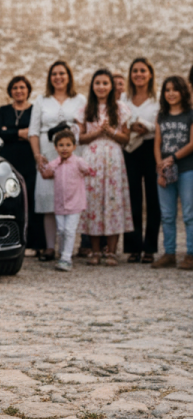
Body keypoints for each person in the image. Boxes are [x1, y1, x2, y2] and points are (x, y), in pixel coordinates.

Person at [29, 61, 87, 260]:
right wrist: (38, 156)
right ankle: (49, 247)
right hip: (47, 152)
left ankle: (67, 248)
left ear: (69, 76)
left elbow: (83, 127)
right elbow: (33, 132)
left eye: (62, 73)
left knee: (69, 199)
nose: (58, 77)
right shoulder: (41, 100)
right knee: (48, 201)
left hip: (70, 153)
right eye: (54, 73)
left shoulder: (79, 99)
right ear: (49, 77)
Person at [76, 69, 133, 265]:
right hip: (92, 157)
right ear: (93, 86)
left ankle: (111, 251)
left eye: (105, 83)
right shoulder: (85, 109)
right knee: (93, 201)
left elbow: (126, 138)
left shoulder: (120, 108)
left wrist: (109, 131)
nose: (101, 87)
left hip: (113, 158)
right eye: (97, 83)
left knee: (113, 201)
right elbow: (80, 138)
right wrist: (97, 132)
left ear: (111, 86)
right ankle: (95, 250)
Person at [0, 75, 45, 253]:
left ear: (28, 90)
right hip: (8, 161)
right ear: (10, 91)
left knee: (31, 200)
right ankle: (8, 240)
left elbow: (36, 131)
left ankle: (33, 244)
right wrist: (22, 133)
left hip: (29, 160)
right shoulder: (4, 110)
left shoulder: (34, 110)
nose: (19, 91)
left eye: (22, 87)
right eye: (15, 88)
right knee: (9, 200)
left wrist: (11, 132)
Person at [151, 76, 193, 270]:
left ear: (183, 92)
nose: (171, 93)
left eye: (175, 89)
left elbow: (192, 143)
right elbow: (157, 143)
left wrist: (173, 158)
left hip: (186, 170)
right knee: (167, 214)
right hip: (166, 170)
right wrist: (160, 166)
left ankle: (191, 254)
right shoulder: (162, 115)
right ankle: (169, 253)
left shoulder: (190, 114)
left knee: (189, 214)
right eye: (167, 90)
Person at [40, 129, 95, 272]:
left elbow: (89, 171)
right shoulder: (55, 163)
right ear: (56, 147)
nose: (64, 148)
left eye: (68, 145)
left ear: (74, 147)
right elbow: (46, 174)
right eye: (61, 145)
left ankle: (66, 258)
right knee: (61, 230)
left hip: (75, 203)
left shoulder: (78, 161)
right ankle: (63, 253)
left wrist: (87, 167)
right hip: (60, 204)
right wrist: (44, 165)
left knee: (70, 230)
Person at [123, 58, 161, 263]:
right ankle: (133, 246)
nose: (139, 74)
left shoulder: (157, 99)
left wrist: (147, 126)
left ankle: (150, 248)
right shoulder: (123, 98)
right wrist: (130, 127)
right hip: (130, 150)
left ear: (150, 74)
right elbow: (117, 120)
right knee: (132, 199)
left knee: (154, 199)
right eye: (135, 70)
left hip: (152, 148)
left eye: (143, 71)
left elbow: (162, 123)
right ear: (131, 75)